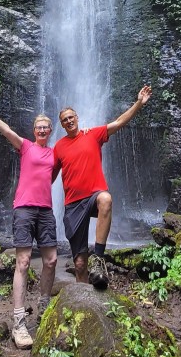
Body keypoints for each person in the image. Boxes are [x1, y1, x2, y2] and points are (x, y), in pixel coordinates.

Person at [53, 86, 152, 289]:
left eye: (71, 117)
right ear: (61, 124)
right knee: (80, 264)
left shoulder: (93, 134)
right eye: (65, 120)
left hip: (93, 197)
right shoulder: (59, 146)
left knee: (105, 199)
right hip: (73, 204)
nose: (69, 121)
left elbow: (119, 122)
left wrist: (139, 104)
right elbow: (50, 176)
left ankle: (98, 257)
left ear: (77, 118)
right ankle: (85, 298)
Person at [0, 98, 57, 350]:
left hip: (46, 210)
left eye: (46, 127)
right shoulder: (25, 146)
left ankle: (44, 308)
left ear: (51, 130)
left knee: (51, 260)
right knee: (23, 262)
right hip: (24, 208)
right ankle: (19, 321)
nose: (42, 130)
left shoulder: (54, 154)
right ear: (34, 130)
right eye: (39, 127)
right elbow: (7, 132)